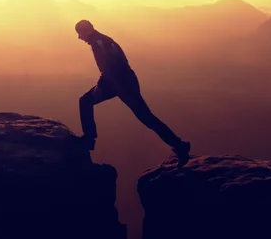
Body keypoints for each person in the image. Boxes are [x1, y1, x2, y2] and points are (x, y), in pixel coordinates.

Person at [75, 19, 191, 166]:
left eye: (80, 33)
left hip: (121, 84)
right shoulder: (102, 41)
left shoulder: (100, 43)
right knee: (145, 117)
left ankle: (180, 145)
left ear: (88, 30)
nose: (79, 37)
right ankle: (179, 145)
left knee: (146, 117)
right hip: (121, 82)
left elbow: (112, 65)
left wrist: (101, 85)